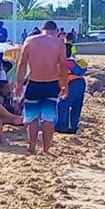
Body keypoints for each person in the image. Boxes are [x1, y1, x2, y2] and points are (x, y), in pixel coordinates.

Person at [13, 22, 68, 155]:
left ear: (42, 30)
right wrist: (64, 85)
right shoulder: (59, 43)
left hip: (34, 82)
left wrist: (19, 84)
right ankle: (46, 149)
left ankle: (32, 147)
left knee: (32, 117)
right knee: (48, 118)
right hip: (51, 83)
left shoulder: (30, 41)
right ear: (55, 31)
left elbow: (21, 64)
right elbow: (63, 66)